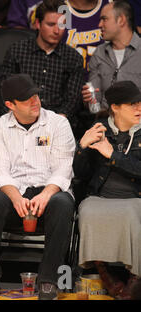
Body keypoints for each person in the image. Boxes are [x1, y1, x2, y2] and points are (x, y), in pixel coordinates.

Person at [0, 74, 76, 300]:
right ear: (10, 105)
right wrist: (16, 197)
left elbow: (63, 168)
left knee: (63, 204)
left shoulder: (58, 123)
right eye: (27, 99)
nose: (35, 101)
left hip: (49, 189)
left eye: (36, 95)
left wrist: (47, 194)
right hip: (13, 190)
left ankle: (49, 281)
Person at [74, 80, 141, 300]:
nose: (139, 108)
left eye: (140, 103)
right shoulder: (99, 129)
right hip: (100, 196)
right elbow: (80, 174)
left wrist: (113, 155)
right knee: (89, 212)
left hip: (135, 197)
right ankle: (106, 274)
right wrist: (82, 148)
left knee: (131, 215)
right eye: (133, 104)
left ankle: (134, 279)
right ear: (115, 107)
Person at [0, 0, 84, 131]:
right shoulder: (17, 51)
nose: (57, 30)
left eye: (61, 25)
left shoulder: (73, 58)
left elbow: (72, 100)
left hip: (57, 125)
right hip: (19, 121)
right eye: (51, 24)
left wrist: (56, 124)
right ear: (37, 23)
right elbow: (3, 89)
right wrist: (16, 119)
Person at [82, 0, 141, 111]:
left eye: (104, 19)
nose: (99, 25)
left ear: (121, 20)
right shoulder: (99, 53)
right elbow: (94, 108)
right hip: (107, 122)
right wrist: (89, 100)